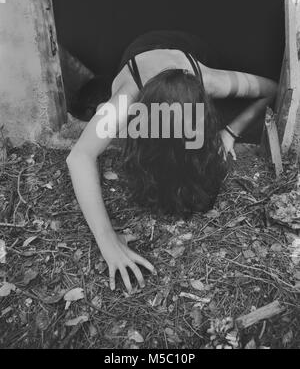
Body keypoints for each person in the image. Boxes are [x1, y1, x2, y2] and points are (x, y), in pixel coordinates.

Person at [66, 30, 278, 293]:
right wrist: (107, 239)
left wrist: (231, 132)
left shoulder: (209, 80)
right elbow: (79, 157)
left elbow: (272, 89)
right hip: (139, 52)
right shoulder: (126, 100)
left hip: (191, 47)